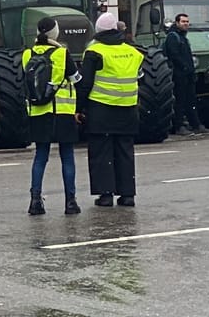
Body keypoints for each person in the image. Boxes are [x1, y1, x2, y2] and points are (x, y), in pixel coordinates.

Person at [78, 12, 143, 207]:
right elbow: (140, 77)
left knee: (101, 153)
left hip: (101, 109)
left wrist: (79, 108)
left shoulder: (94, 51)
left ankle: (106, 195)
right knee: (125, 152)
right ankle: (128, 194)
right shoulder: (133, 52)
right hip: (128, 109)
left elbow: (85, 83)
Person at [23, 17, 81, 216]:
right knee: (67, 156)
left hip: (39, 112)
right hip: (62, 111)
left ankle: (35, 201)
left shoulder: (27, 54)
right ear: (54, 33)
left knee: (40, 157)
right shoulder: (62, 53)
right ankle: (70, 202)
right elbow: (76, 79)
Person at [164, 14, 208, 135]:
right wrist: (184, 67)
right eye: (183, 21)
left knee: (190, 100)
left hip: (187, 74)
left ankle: (196, 125)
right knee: (180, 101)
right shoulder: (173, 37)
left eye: (187, 22)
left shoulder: (182, 37)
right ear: (177, 23)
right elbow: (174, 55)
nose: (186, 24)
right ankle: (179, 126)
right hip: (178, 75)